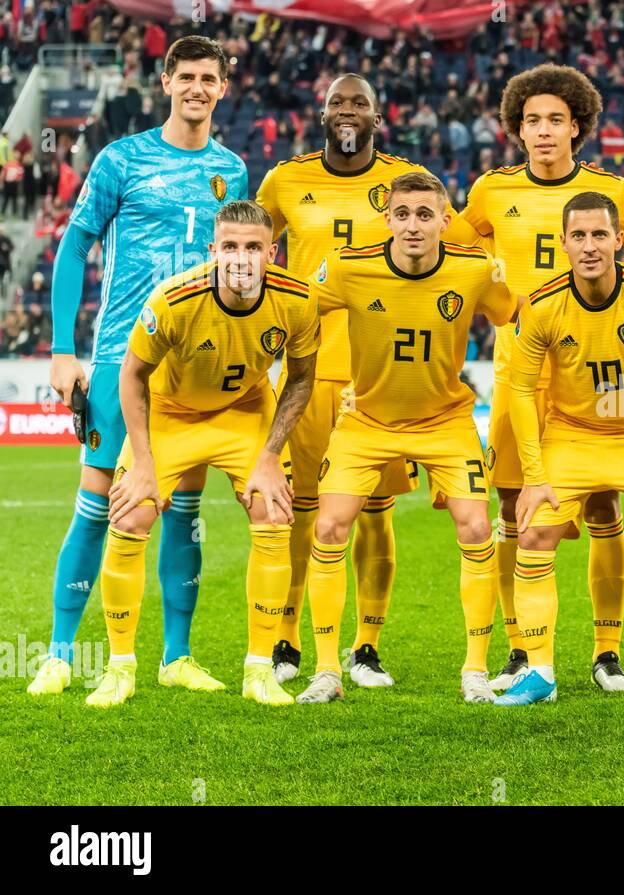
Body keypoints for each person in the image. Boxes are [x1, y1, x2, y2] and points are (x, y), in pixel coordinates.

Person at [29, 36, 248, 697]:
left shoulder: (233, 171)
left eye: (209, 78)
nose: (197, 87)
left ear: (223, 88)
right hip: (122, 357)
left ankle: (175, 656)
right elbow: (74, 248)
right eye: (186, 76)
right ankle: (61, 652)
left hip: (198, 367)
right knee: (97, 502)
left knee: (184, 506)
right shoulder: (120, 159)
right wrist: (63, 350)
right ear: (166, 82)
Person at [444, 63, 624, 694]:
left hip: (596, 371)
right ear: (516, 128)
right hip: (519, 372)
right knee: (516, 506)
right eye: (531, 120)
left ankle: (607, 651)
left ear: (578, 126)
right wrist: (497, 302)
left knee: (604, 502)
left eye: (555, 119)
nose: (542, 131)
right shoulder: (490, 191)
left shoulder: (616, 191)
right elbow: (454, 255)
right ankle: (520, 648)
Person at [297, 171, 517, 705]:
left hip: (445, 421)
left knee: (474, 526)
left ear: (446, 220)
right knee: (328, 525)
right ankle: (327, 671)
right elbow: (297, 306)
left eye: (425, 215)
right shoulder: (350, 266)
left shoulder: (473, 271)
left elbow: (513, 314)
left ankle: (474, 671)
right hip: (366, 421)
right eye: (402, 215)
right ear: (388, 219)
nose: (413, 225)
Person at [87, 200, 317, 707]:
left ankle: (259, 670)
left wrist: (269, 455)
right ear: (213, 251)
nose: (241, 257)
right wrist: (144, 466)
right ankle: (120, 668)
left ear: (271, 253)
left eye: (253, 247)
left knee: (275, 513)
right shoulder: (174, 298)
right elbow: (131, 376)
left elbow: (301, 378)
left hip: (246, 411)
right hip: (172, 413)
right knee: (129, 513)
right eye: (230, 246)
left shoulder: (298, 299)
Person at [256, 73, 432, 688]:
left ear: (378, 118)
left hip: (380, 377)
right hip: (307, 374)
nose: (347, 111)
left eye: (359, 102)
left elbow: (448, 251)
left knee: (376, 514)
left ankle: (366, 648)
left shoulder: (407, 185)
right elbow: (250, 250)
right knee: (301, 515)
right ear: (322, 113)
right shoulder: (286, 179)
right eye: (338, 102)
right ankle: (285, 643)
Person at [504, 191, 624, 707]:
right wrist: (533, 474)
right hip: (572, 434)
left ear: (618, 239)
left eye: (599, 235)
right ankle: (539, 671)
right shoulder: (541, 305)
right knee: (536, 532)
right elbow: (522, 389)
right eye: (578, 236)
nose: (589, 246)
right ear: (563, 243)